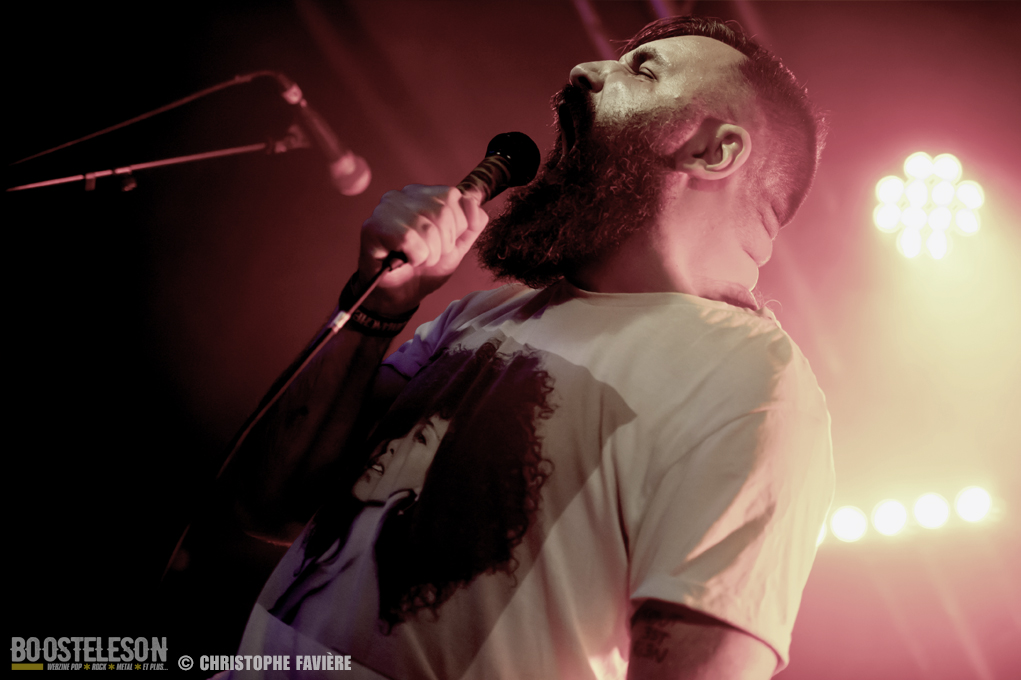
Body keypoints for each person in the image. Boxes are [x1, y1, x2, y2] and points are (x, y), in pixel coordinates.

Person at [223, 15, 834, 680]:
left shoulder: (750, 381)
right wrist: (377, 308)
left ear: (714, 152)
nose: (585, 70)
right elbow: (265, 503)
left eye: (642, 71)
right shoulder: (480, 316)